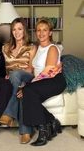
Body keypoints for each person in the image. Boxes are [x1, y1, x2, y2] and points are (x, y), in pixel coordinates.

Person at [19, 18, 66, 146]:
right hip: (41, 81)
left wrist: (30, 85)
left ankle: (43, 130)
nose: (41, 33)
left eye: (45, 30)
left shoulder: (52, 48)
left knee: (28, 91)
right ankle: (52, 122)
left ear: (50, 32)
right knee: (26, 92)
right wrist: (16, 74)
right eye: (38, 30)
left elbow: (48, 71)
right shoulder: (36, 48)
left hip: (54, 80)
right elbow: (31, 68)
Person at [0, 18, 37, 144]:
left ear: (24, 30)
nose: (16, 32)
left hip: (27, 77)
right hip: (13, 81)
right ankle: (26, 131)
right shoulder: (5, 48)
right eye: (14, 29)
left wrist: (18, 76)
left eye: (20, 29)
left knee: (16, 74)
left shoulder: (32, 47)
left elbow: (31, 68)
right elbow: (1, 67)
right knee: (21, 92)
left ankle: (8, 114)